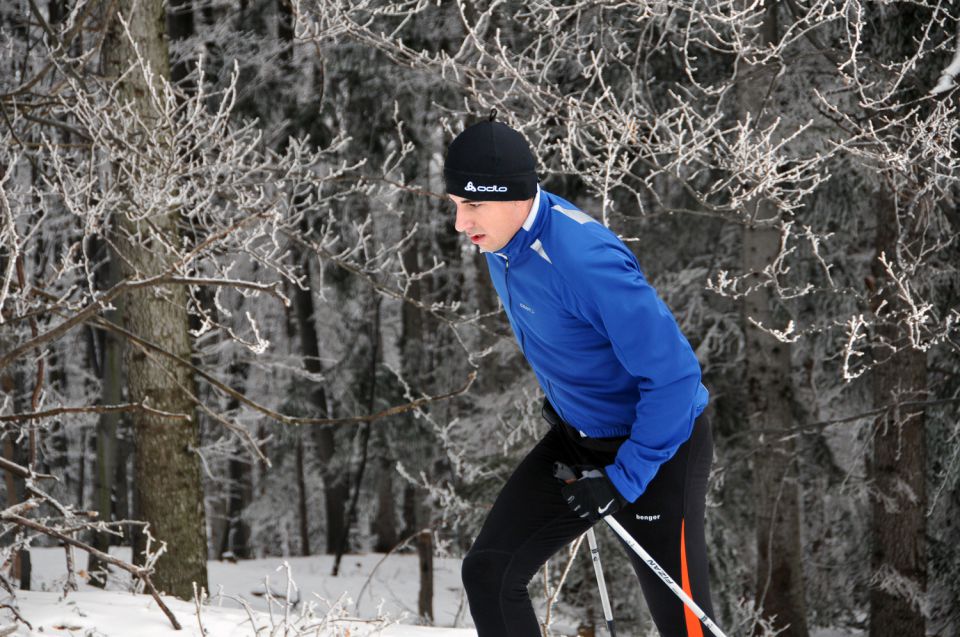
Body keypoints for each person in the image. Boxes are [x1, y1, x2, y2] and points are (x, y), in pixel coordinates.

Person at [445, 114, 715, 637]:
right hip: (579, 442)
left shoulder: (583, 259)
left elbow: (677, 379)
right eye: (456, 205)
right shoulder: (500, 244)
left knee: (685, 627)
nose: (461, 223)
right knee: (490, 573)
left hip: (657, 451)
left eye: (472, 204)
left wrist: (623, 477)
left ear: (516, 196)